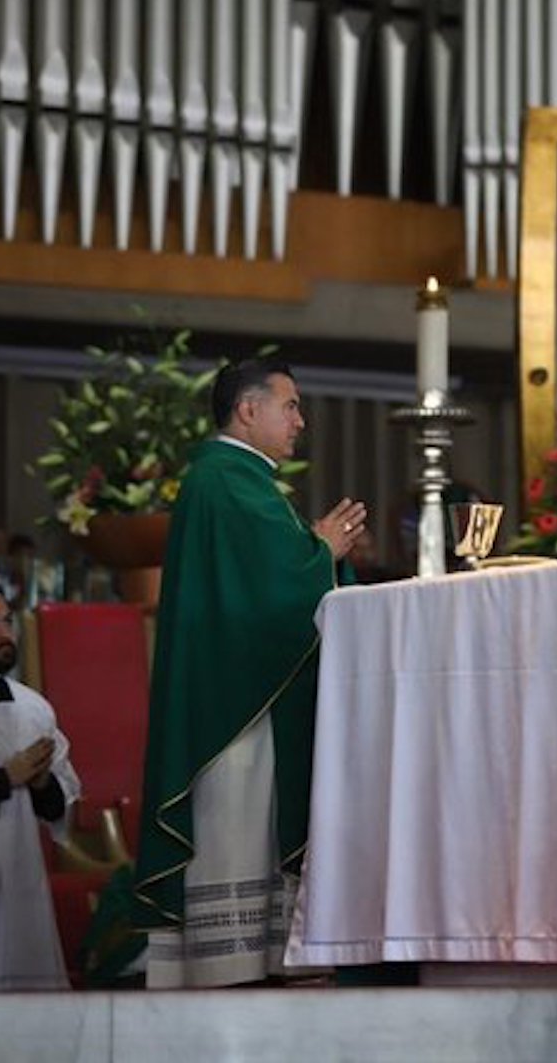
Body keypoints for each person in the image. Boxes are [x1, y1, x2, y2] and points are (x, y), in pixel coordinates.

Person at [134, 358, 368, 988]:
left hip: (243, 692)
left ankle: (251, 962)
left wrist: (315, 552)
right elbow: (271, 589)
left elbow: (272, 572)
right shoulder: (227, 479)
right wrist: (321, 551)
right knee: (236, 826)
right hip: (235, 706)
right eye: (290, 406)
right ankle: (229, 967)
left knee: (250, 825)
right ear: (247, 409)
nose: (301, 421)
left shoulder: (238, 480)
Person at [0, 578, 82, 990]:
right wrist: (3, 779)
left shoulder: (34, 708)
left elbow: (62, 804)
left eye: (7, 622)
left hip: (20, 881)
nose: (5, 635)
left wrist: (42, 783)